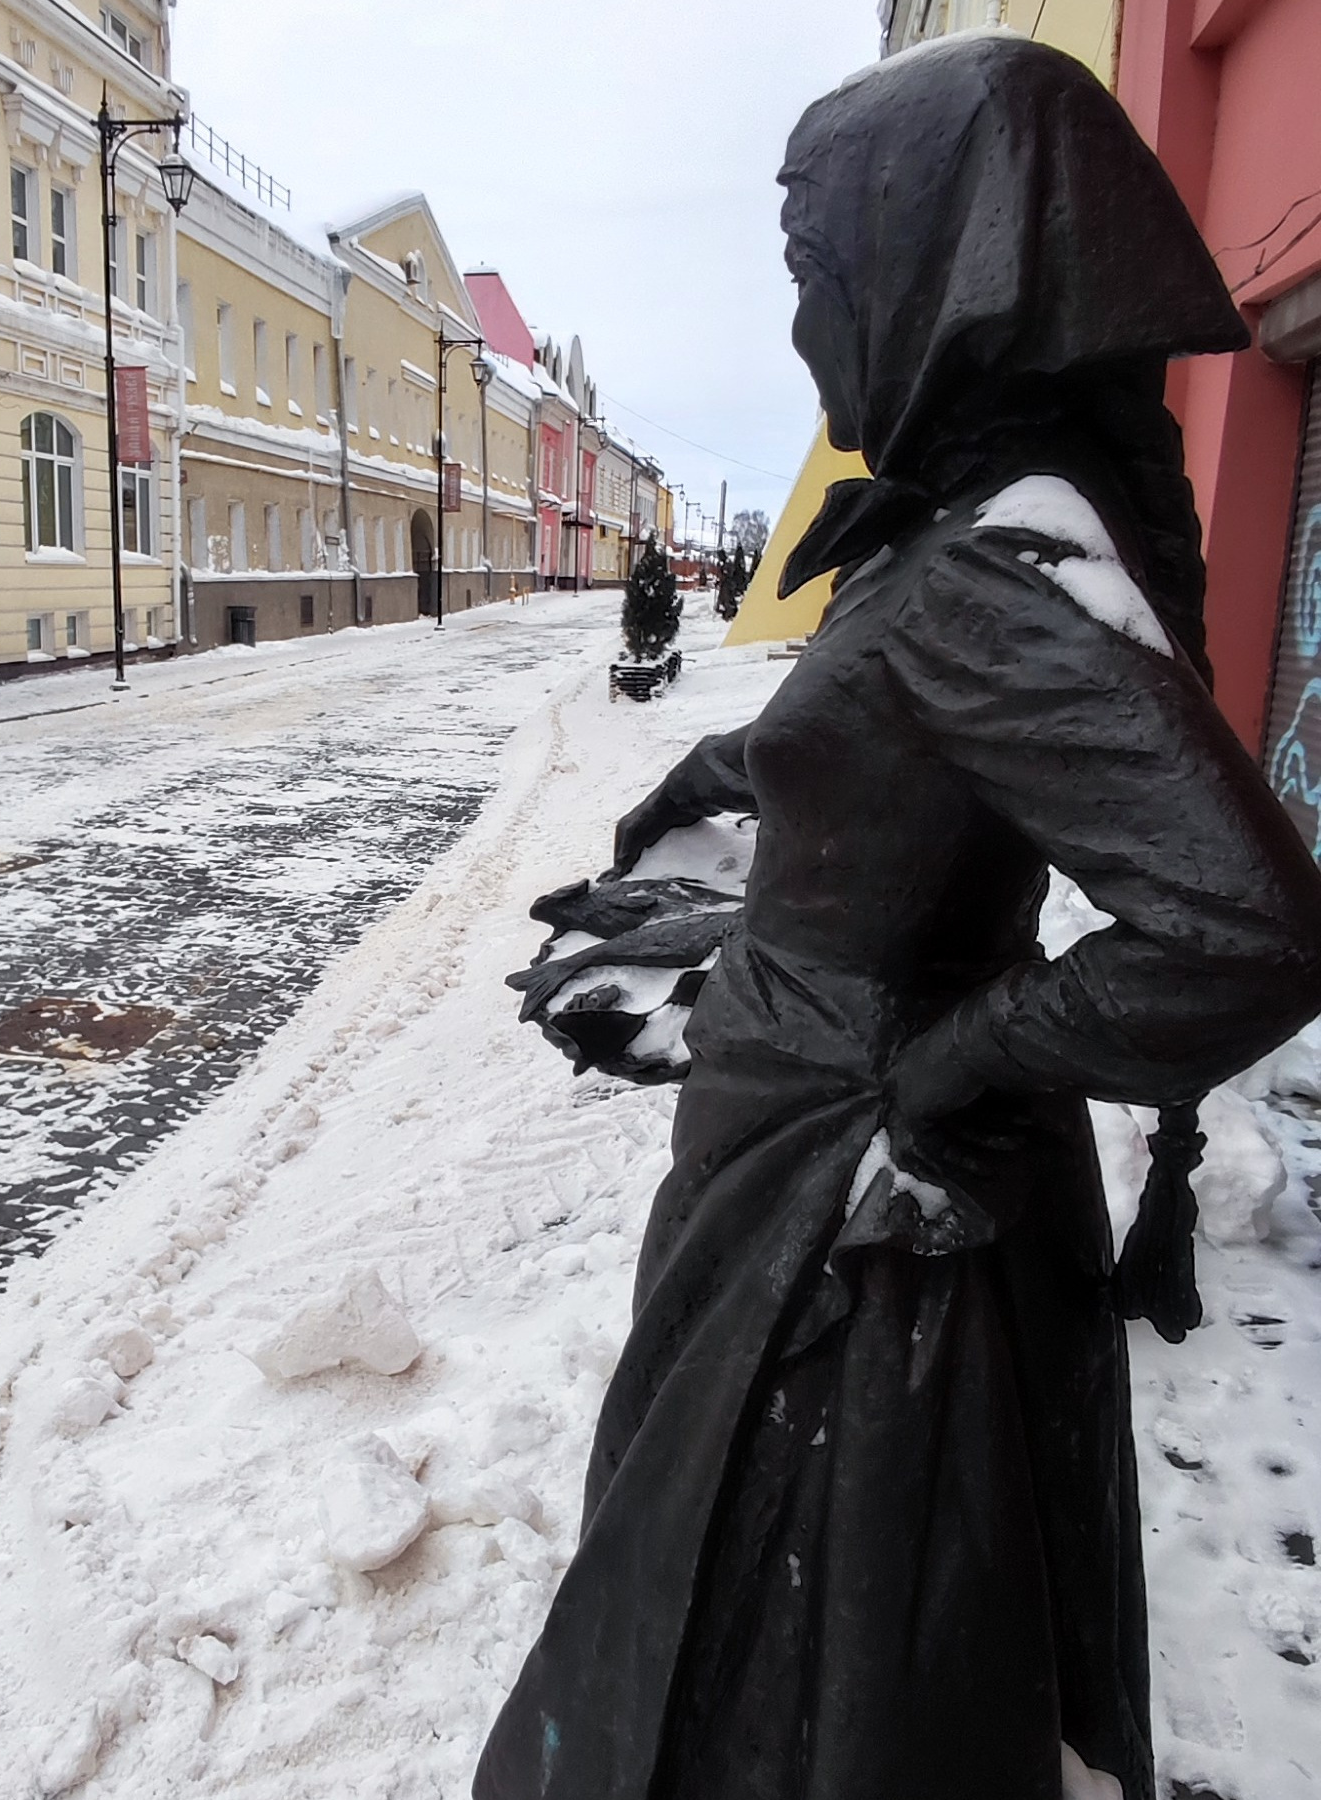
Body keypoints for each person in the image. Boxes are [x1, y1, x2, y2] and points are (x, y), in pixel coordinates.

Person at [475, 33, 1321, 1800]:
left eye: (820, 273)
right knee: (744, 1594)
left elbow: (1249, 927)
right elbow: (907, 743)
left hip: (846, 1230)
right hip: (797, 1137)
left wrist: (951, 1061)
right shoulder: (963, 530)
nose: (805, 326)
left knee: (792, 1637)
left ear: (945, 264)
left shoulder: (981, 576)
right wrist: (743, 772)